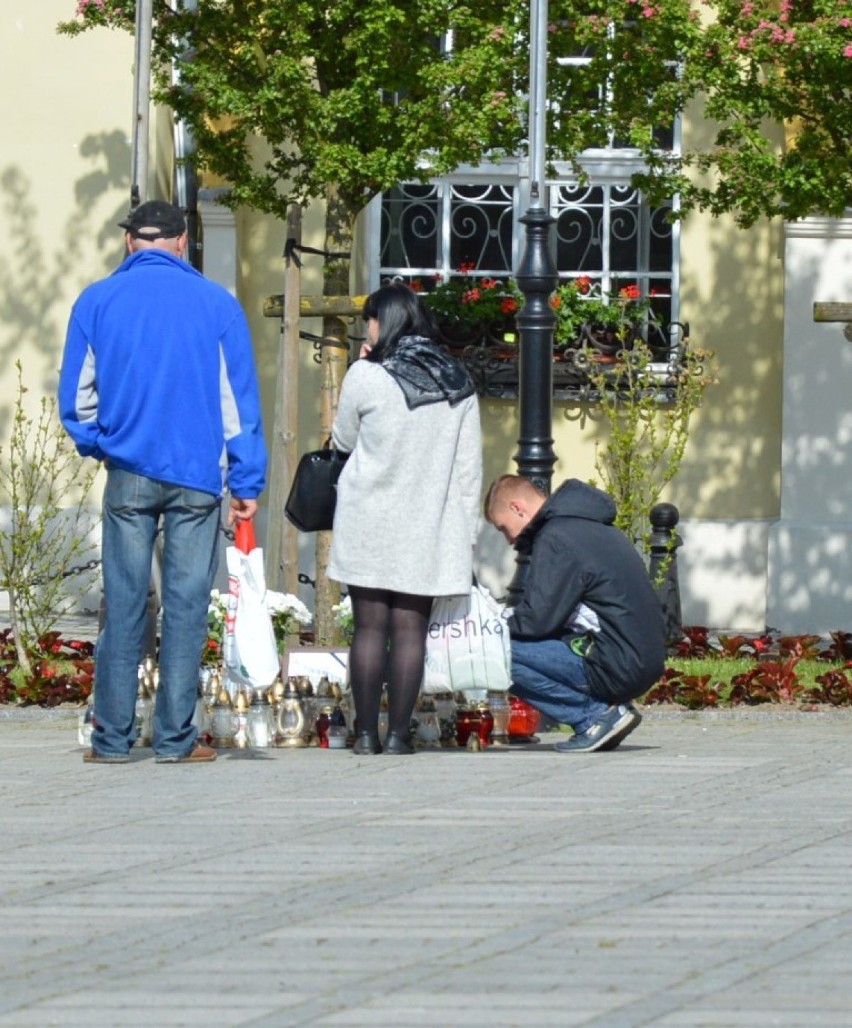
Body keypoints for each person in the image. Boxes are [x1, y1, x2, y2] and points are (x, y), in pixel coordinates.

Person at [58, 199, 267, 765]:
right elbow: (238, 406)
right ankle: (177, 739)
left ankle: (111, 740)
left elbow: (76, 403)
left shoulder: (95, 301)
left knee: (125, 605)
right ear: (182, 243)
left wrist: (103, 446)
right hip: (197, 480)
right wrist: (246, 479)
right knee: (185, 605)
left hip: (127, 474)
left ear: (130, 242)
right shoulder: (217, 304)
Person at [329, 283, 482, 755]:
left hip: (367, 519)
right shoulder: (457, 382)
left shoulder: (366, 376)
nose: (367, 329)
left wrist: (363, 362)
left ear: (385, 324)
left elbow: (342, 440)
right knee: (410, 629)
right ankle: (399, 735)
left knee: (370, 627)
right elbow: (468, 467)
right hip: (427, 523)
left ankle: (365, 735)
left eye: (370, 320)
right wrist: (467, 533)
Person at [484, 474, 666, 752]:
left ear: (517, 508)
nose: (509, 539)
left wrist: (486, 624)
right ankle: (608, 710)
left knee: (491, 650)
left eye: (502, 528)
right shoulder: (593, 528)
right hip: (639, 660)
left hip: (617, 665)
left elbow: (537, 620)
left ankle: (593, 717)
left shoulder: (556, 537)